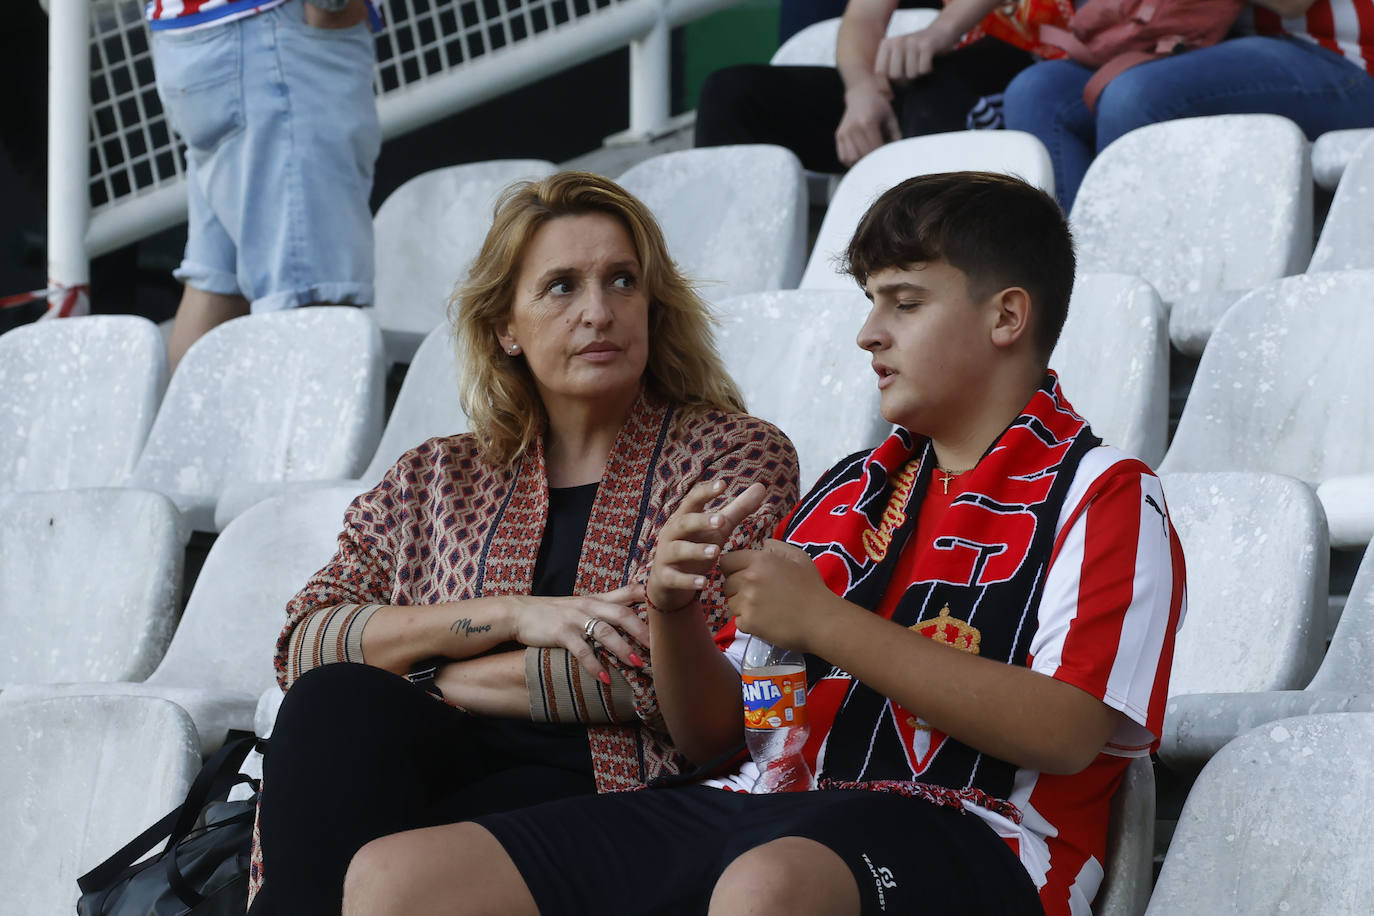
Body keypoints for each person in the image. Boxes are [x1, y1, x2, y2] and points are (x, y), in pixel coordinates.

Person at [338, 172, 1188, 916]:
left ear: (1007, 316)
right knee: (400, 876)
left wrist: (825, 624)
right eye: (870, 303)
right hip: (762, 807)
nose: (870, 334)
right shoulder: (850, 492)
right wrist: (673, 613)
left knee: (765, 886)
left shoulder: (1105, 492)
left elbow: (1067, 732)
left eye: (904, 301)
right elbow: (728, 736)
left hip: (978, 833)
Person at [244, 171, 801, 913]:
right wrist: (515, 614)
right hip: (426, 771)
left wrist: (421, 672)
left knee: (383, 802)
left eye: (622, 281)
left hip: (618, 795)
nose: (598, 312)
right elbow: (306, 647)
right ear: (507, 325)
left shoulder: (731, 458)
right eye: (562, 287)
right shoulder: (433, 476)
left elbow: (666, 674)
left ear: (653, 305)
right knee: (335, 703)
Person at [147, 0, 382, 371]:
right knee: (313, 304)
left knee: (219, 287)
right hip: (272, 37)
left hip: (200, 38)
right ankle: (307, 432)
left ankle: (187, 430)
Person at [1004, 0, 1374, 211]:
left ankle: (1127, 278)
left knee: (1135, 97)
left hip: (1345, 61)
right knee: (1037, 92)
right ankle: (1072, 278)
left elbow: (1291, 3)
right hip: (1208, 50)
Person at [694, 0, 1073, 173]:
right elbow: (863, 17)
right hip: (947, 70)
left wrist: (939, 32)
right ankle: (707, 280)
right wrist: (861, 93)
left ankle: (913, 267)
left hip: (1047, 62)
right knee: (733, 93)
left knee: (934, 95)